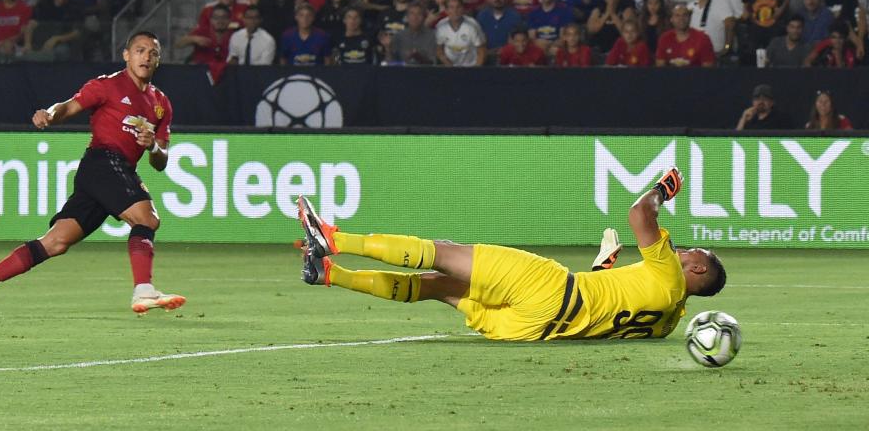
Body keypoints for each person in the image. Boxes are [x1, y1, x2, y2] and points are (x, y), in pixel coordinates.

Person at [298, 166, 726, 342]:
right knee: (438, 288)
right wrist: (603, 267)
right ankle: (331, 274)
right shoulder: (669, 322)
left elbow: (639, 214)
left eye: (693, 252)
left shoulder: (670, 271)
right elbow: (608, 305)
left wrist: (664, 189)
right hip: (534, 329)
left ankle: (334, 239)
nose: (683, 249)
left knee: (442, 255)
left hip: (550, 287)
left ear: (697, 267)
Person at [0, 31, 185, 317]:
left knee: (56, 242)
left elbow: (161, 161)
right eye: (139, 50)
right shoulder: (108, 86)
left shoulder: (161, 103)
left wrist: (152, 144)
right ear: (127, 55)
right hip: (102, 162)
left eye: (152, 53)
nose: (146, 57)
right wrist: (50, 115)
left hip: (115, 172)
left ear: (158, 60)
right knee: (147, 218)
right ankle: (143, 290)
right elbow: (68, 106)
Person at [176, 2, 234, 83]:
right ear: (211, 19)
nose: (220, 21)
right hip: (200, 74)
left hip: (227, 75)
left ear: (229, 20)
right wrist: (194, 39)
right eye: (216, 18)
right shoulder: (202, 31)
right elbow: (178, 44)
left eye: (224, 17)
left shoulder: (235, 35)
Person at [436, 0, 485, 66]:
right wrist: (448, 65)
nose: (455, 11)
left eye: (458, 7)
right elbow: (439, 50)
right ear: (446, 10)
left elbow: (482, 51)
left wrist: (476, 71)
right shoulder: (441, 26)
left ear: (463, 9)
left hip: (471, 67)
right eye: (451, 7)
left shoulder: (472, 25)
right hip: (449, 68)